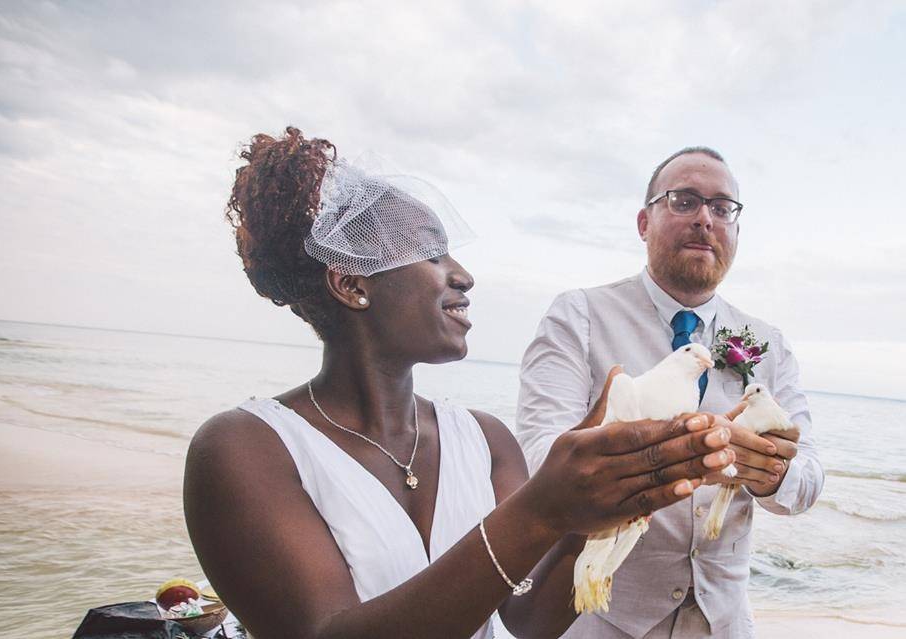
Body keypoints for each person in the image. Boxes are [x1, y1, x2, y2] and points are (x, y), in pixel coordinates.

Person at [183, 129, 736, 639]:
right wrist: (542, 509)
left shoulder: (486, 440)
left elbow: (528, 620)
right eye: (429, 252)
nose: (462, 275)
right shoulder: (242, 450)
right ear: (351, 283)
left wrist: (594, 513)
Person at [515, 147, 825, 638]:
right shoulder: (579, 317)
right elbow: (538, 460)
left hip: (724, 623)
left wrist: (770, 472)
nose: (705, 218)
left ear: (736, 232)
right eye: (684, 201)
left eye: (723, 208)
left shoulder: (769, 343)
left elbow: (807, 480)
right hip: (600, 617)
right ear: (644, 222)